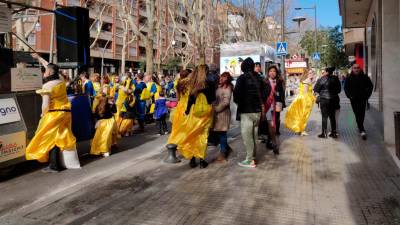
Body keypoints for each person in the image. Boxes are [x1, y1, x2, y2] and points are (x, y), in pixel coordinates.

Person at [25, 60, 80, 172]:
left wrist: (43, 114)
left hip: (53, 114)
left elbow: (45, 105)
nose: (44, 72)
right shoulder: (61, 80)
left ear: (49, 72)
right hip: (65, 113)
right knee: (56, 138)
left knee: (47, 138)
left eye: (45, 71)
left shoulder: (47, 86)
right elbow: (52, 67)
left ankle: (54, 166)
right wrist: (40, 58)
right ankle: (55, 164)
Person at [168, 66, 215, 169]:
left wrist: (187, 111)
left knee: (193, 135)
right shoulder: (210, 83)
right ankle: (202, 161)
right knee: (203, 136)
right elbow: (213, 98)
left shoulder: (193, 84)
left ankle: (192, 160)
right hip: (205, 112)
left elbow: (190, 99)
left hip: (194, 112)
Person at [233, 57, 269, 168]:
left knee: (247, 137)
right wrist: (261, 100)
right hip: (257, 111)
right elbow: (267, 90)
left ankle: (249, 160)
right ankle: (253, 157)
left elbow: (236, 95)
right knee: (254, 135)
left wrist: (240, 102)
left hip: (246, 111)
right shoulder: (259, 77)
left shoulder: (242, 78)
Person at [344, 64, 373, 140]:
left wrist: (367, 95)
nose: (356, 69)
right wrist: (349, 96)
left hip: (362, 99)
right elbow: (346, 88)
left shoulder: (365, 77)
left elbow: (370, 86)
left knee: (362, 113)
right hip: (353, 99)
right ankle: (361, 127)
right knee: (357, 113)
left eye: (357, 68)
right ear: (352, 69)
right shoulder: (349, 78)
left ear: (360, 69)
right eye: (355, 68)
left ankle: (361, 128)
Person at [285, 69, 316, 136]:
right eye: (310, 73)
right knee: (304, 116)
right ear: (307, 74)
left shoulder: (305, 80)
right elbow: (305, 92)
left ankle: (300, 129)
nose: (311, 74)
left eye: (312, 73)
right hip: (305, 100)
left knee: (301, 115)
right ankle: (302, 130)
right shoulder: (307, 81)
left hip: (302, 99)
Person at [313, 67, 341, 138]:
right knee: (332, 116)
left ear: (326, 72)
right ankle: (334, 133)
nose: (323, 73)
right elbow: (339, 90)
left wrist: (320, 92)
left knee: (324, 117)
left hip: (324, 100)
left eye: (324, 71)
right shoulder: (336, 78)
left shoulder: (321, 79)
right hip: (333, 99)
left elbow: (316, 89)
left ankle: (324, 133)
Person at [213, 72, 233, 162]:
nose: (222, 78)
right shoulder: (219, 87)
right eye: (221, 76)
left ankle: (223, 154)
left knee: (222, 133)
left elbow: (226, 102)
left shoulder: (228, 88)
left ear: (227, 79)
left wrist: (216, 108)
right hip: (217, 114)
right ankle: (226, 148)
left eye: (224, 77)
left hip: (223, 114)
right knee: (218, 133)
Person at [263, 65, 283, 154]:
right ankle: (275, 144)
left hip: (276, 106)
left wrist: (280, 104)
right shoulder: (264, 82)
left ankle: (269, 142)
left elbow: (282, 95)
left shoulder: (279, 82)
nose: (272, 73)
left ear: (276, 73)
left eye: (274, 71)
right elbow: (262, 95)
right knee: (270, 125)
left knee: (274, 124)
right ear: (268, 72)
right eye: (270, 71)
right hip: (267, 106)